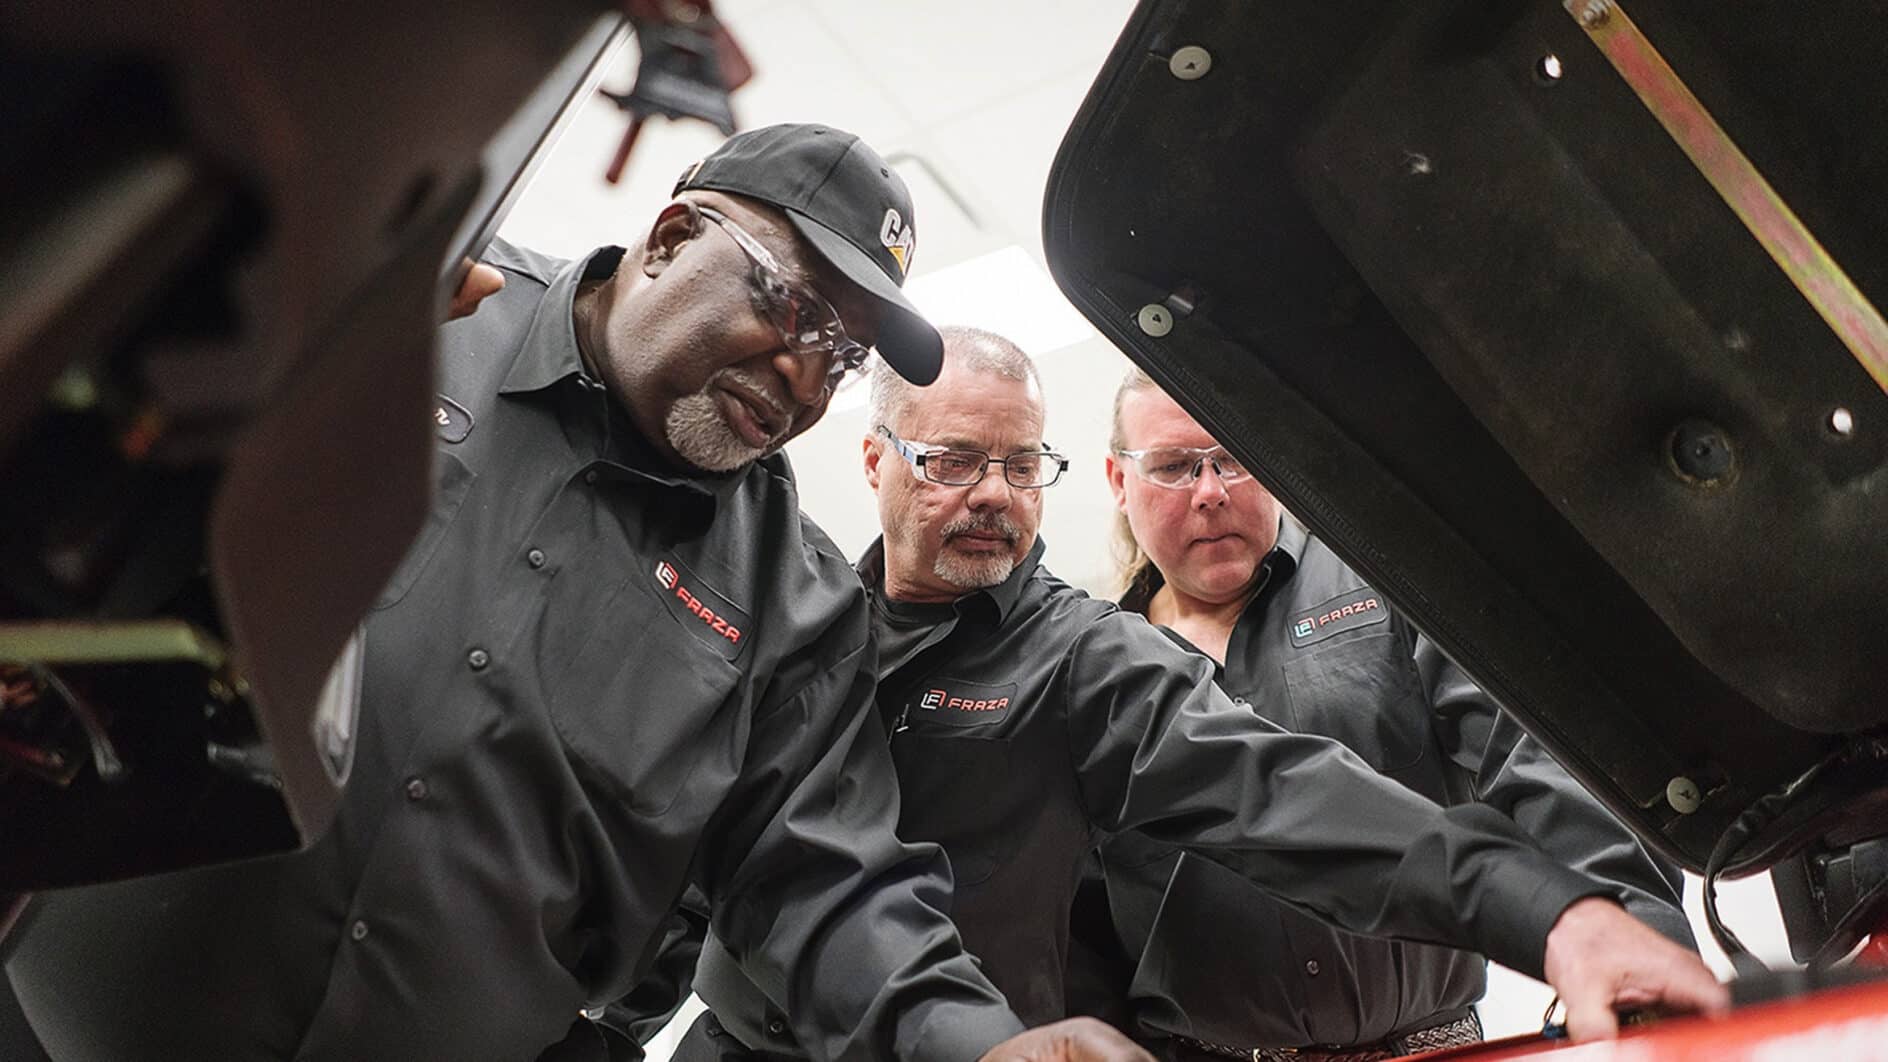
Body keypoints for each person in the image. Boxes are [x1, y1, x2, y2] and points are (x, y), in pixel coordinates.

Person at [4, 125, 1141, 1062]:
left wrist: (977, 1044)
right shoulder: (420, 317)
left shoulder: (789, 604)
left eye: (841, 359)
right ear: (671, 237)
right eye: (793, 310)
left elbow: (827, 879)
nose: (803, 378)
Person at [670, 328, 1724, 1062]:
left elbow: (1283, 793)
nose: (991, 494)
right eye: (951, 461)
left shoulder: (1084, 658)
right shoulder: (797, 620)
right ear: (875, 461)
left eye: (1020, 464)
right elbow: (691, 841)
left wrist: (1568, 917)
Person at [1064, 368, 1699, 1059]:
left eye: (1233, 457)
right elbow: (1077, 917)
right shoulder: (1097, 673)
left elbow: (1536, 760)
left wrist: (1632, 929)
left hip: (1429, 1045)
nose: (1211, 492)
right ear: (1119, 480)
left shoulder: (1384, 585)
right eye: (1174, 467)